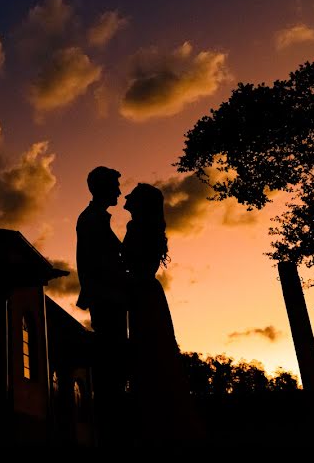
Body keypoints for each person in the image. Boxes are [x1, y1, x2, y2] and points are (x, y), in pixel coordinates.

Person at [123, 183, 204, 445]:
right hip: (147, 291)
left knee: (149, 347)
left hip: (141, 292)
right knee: (156, 348)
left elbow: (128, 260)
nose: (127, 198)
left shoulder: (136, 228)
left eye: (133, 196)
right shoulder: (151, 228)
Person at [75, 166, 129, 445]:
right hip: (107, 300)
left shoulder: (96, 218)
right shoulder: (92, 220)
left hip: (110, 298)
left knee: (115, 368)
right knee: (112, 369)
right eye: (116, 186)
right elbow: (97, 264)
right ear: (104, 188)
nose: (119, 191)